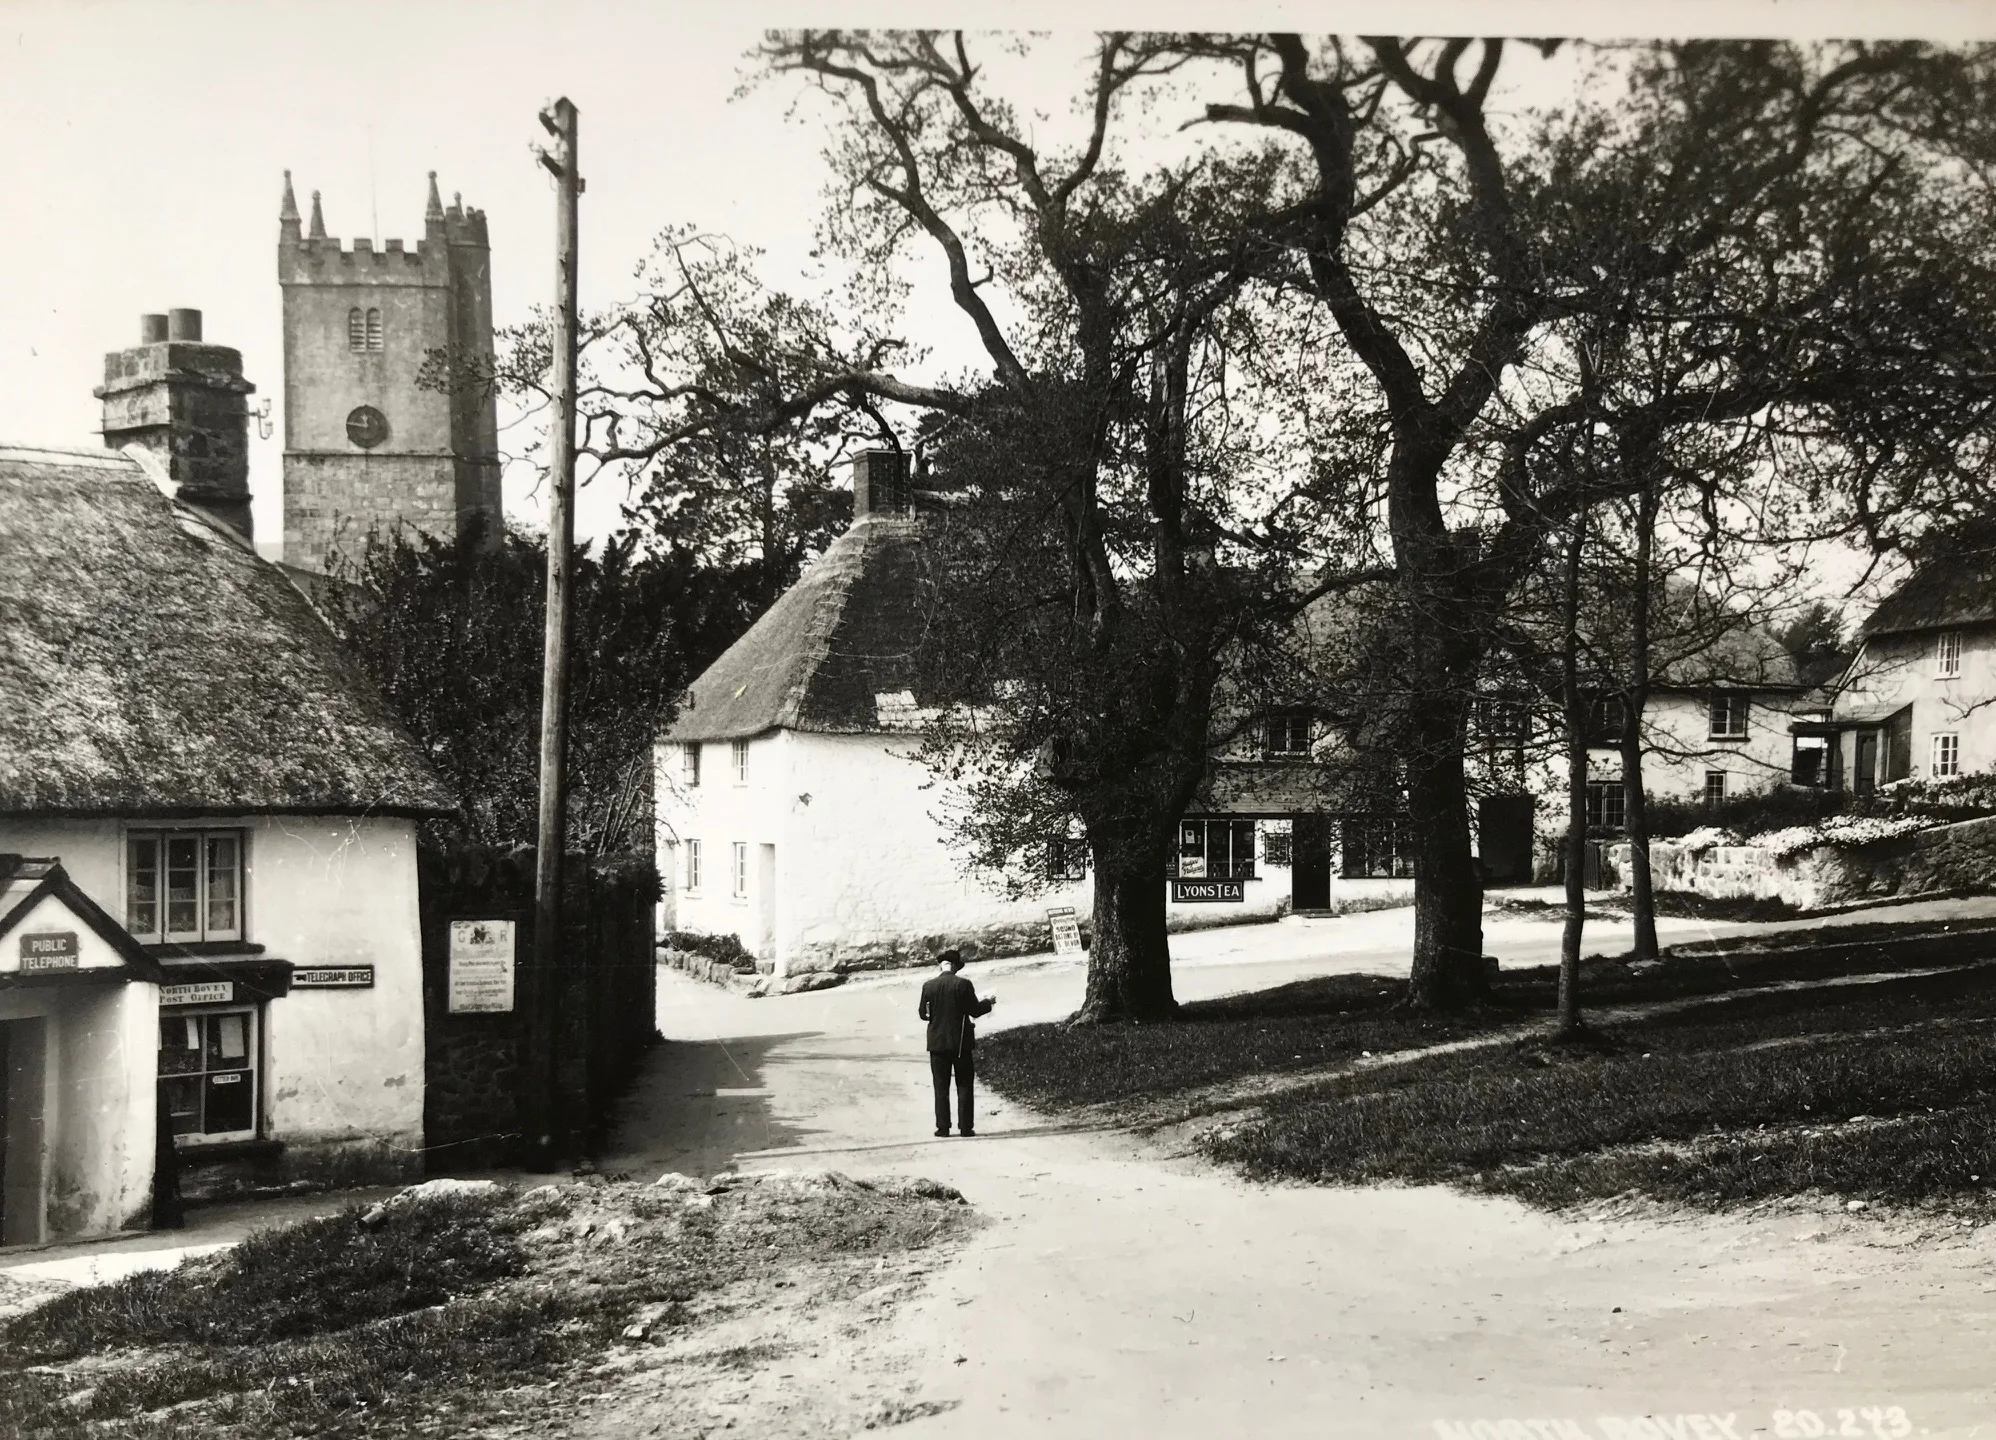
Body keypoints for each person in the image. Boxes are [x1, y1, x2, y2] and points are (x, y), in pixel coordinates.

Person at [918, 949, 996, 1137]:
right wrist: (989, 1002)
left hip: (937, 1044)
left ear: (941, 966)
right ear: (954, 966)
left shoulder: (928, 986)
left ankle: (943, 1127)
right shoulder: (963, 985)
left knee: (940, 1086)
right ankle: (965, 1127)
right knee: (964, 1084)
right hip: (961, 1042)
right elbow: (975, 1010)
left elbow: (923, 1014)